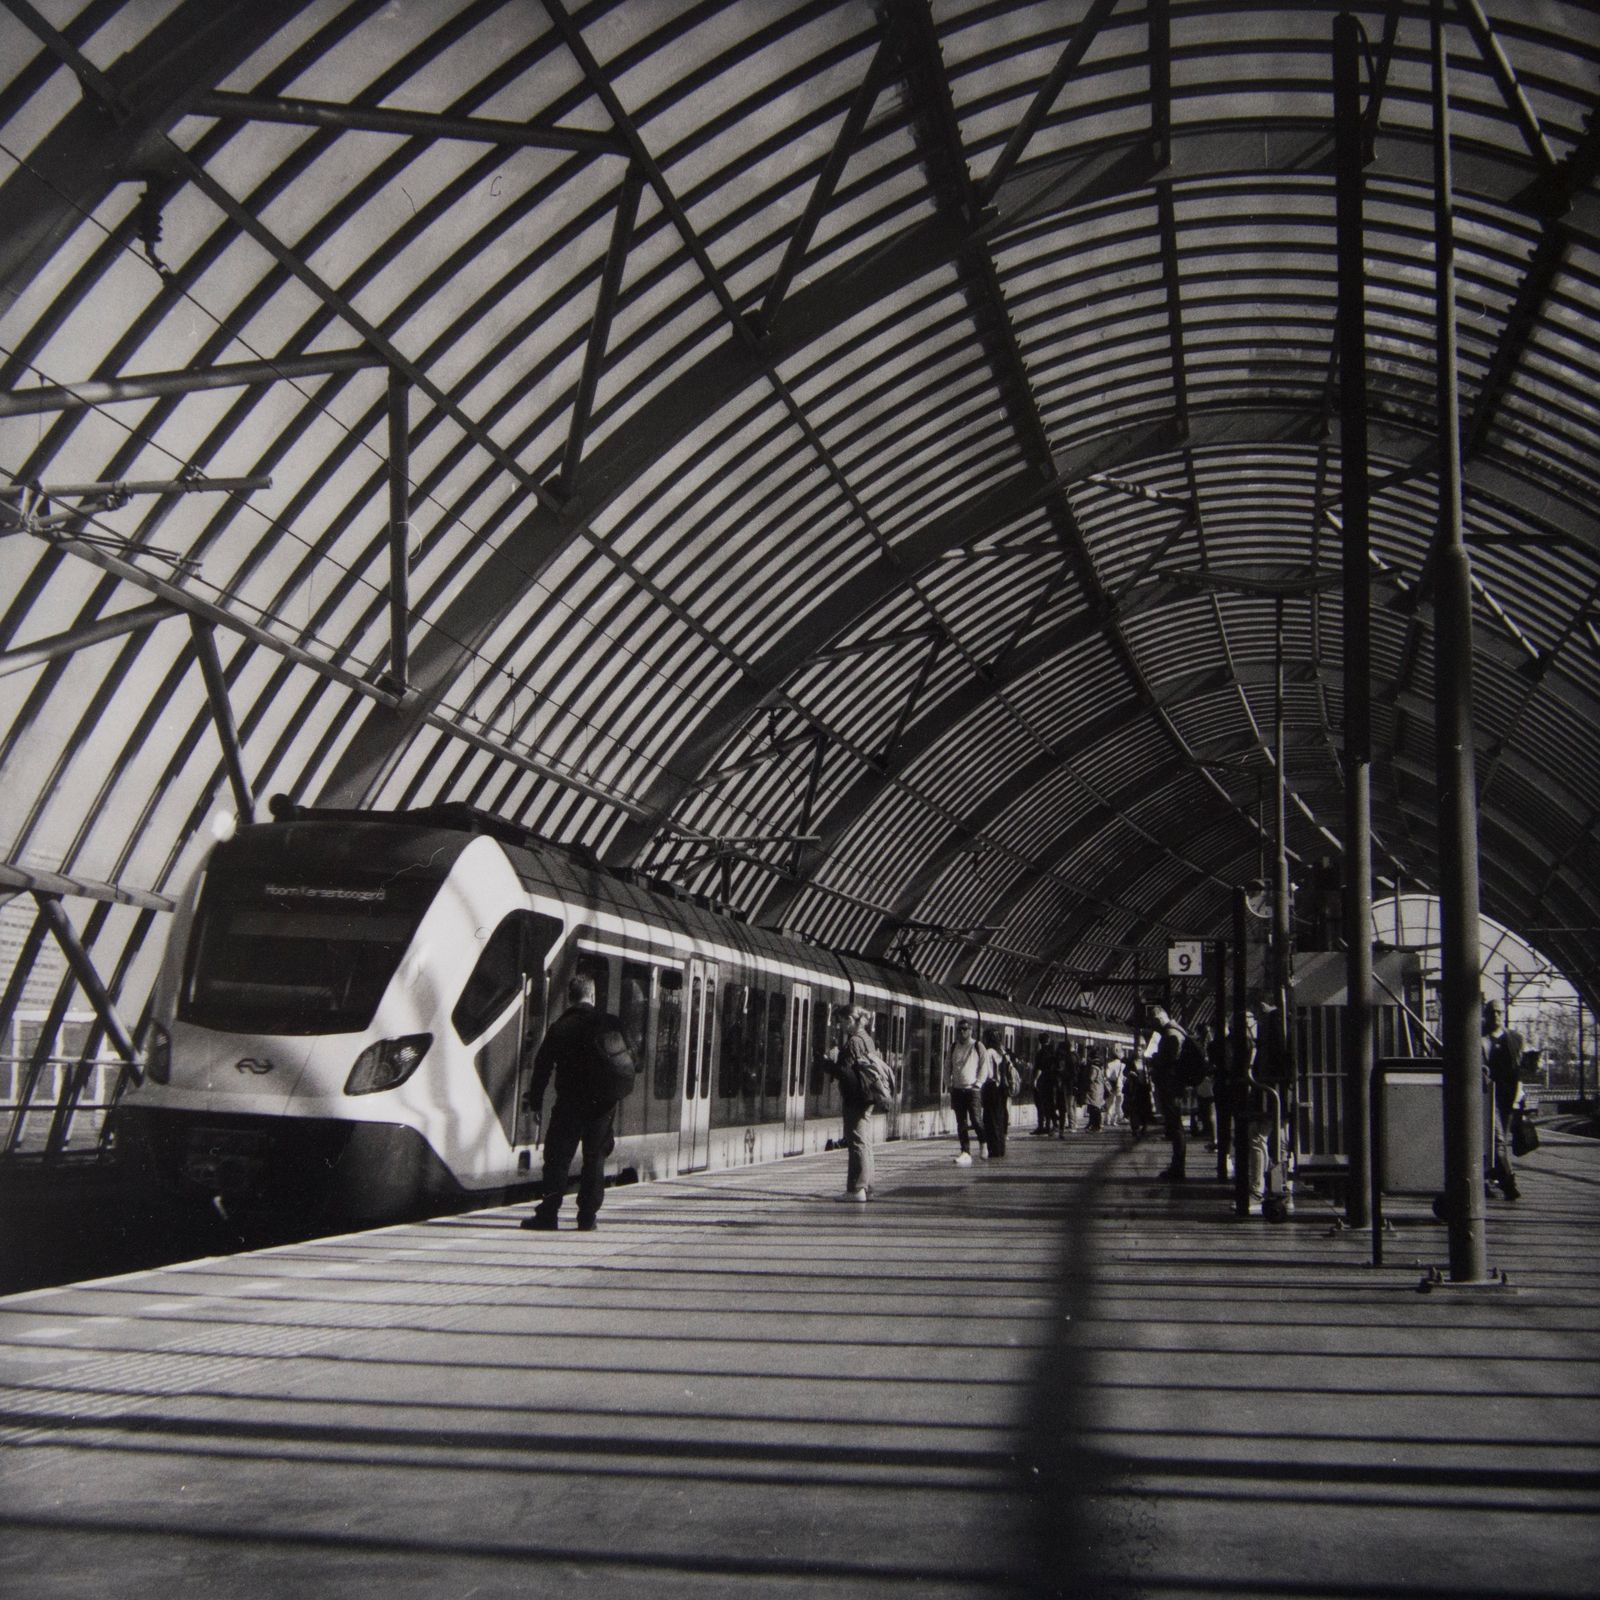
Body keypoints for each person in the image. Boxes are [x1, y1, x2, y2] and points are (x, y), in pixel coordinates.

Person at [521, 973, 635, 1233]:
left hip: (569, 1104)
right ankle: (587, 1218)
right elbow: (632, 1060)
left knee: (558, 1160)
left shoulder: (561, 1026)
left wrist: (536, 1102)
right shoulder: (610, 1023)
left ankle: (548, 1215)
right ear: (593, 995)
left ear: (570, 997)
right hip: (603, 1106)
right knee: (594, 1160)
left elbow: (542, 1067)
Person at [826, 1007, 884, 1201]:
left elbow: (846, 1073)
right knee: (865, 1142)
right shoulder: (867, 1039)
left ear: (851, 1019)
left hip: (856, 1098)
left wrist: (828, 1062)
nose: (840, 1025)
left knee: (856, 1142)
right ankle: (868, 1187)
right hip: (867, 1097)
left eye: (842, 1021)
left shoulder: (853, 1042)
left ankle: (857, 1189)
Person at [1482, 1001, 1523, 1201]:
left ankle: (1488, 1180)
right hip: (1486, 1096)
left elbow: (1519, 1070)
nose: (1496, 1015)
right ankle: (1509, 1184)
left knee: (1499, 1142)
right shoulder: (1479, 1039)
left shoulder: (1515, 1038)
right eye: (1492, 1012)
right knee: (1498, 1141)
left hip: (1508, 1096)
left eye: (1499, 1012)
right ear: (1485, 1015)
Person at [1147, 1004, 1188, 1181]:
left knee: (1176, 1127)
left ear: (1158, 1018)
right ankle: (1176, 1166)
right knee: (1175, 1127)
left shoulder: (1171, 1034)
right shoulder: (1176, 1031)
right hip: (1174, 1086)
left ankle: (1178, 1169)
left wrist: (1156, 1059)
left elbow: (1169, 1061)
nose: (1154, 1027)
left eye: (1154, 1022)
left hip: (1172, 1086)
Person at [945, 1020, 990, 1164]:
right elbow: (947, 1066)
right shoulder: (953, 1047)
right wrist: (948, 1084)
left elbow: (984, 1066)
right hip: (957, 1089)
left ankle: (983, 1144)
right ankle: (965, 1151)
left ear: (970, 1031)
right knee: (961, 1122)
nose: (961, 1032)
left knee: (976, 1119)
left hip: (972, 1089)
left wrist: (979, 1083)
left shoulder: (978, 1046)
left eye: (964, 1029)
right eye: (959, 1030)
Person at [980, 1028, 1011, 1157]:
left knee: (990, 1119)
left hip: (991, 1088)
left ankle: (993, 1149)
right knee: (1000, 1118)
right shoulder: (1003, 1053)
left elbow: (989, 1073)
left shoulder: (988, 1052)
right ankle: (1000, 1149)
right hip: (1003, 1089)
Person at [1032, 1038, 1060, 1134]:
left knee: (1041, 1104)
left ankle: (1041, 1126)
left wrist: (1035, 1080)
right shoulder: (1053, 1053)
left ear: (1040, 1042)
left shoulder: (1041, 1053)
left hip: (1043, 1082)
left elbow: (1039, 1068)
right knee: (1049, 1104)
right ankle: (1050, 1125)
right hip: (1052, 1082)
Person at [1103, 1048, 1125, 1128]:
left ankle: (1108, 1120)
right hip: (1120, 1086)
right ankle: (1114, 1120)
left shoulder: (1109, 1064)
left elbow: (1107, 1076)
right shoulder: (1123, 1065)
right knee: (1118, 1104)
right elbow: (1124, 1077)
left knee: (1110, 1103)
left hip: (1111, 1086)